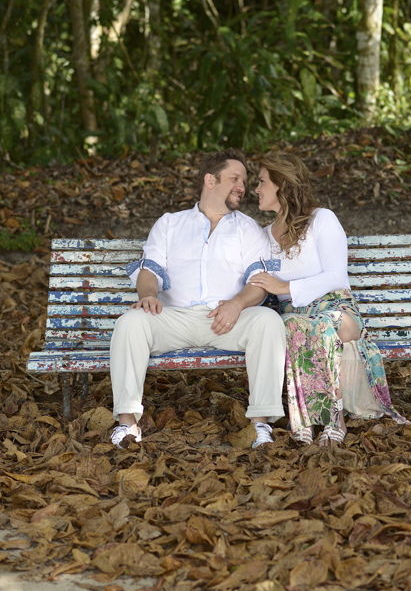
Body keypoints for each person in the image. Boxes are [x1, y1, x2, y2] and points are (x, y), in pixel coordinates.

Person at [109, 149, 286, 449]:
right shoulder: (170, 224)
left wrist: (237, 304)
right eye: (235, 178)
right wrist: (149, 296)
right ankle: (126, 424)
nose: (243, 187)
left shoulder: (248, 229)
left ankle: (261, 426)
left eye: (244, 181)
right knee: (130, 323)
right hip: (174, 317)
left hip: (227, 319)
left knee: (269, 321)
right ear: (210, 180)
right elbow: (148, 270)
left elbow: (258, 282)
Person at [248, 152, 407, 446]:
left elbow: (336, 276)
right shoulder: (263, 237)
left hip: (337, 310)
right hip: (295, 316)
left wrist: (285, 286)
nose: (255, 189)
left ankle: (335, 419)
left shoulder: (322, 220)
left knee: (319, 324)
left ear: (282, 185)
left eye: (262, 182)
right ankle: (307, 420)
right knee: (294, 325)